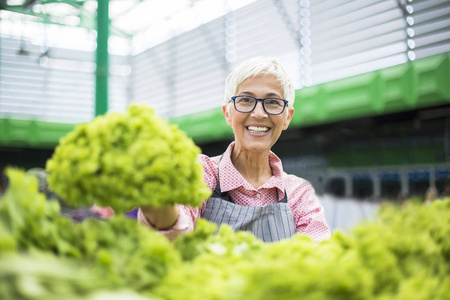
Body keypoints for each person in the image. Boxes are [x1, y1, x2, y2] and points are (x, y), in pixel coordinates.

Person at [138, 56, 331, 243]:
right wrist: (157, 197)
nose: (258, 113)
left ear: (287, 117)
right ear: (227, 113)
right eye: (246, 100)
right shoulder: (202, 173)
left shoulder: (299, 193)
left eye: (272, 102)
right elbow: (174, 234)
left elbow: (319, 257)